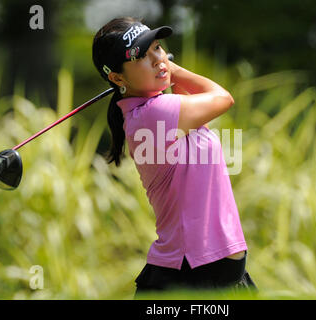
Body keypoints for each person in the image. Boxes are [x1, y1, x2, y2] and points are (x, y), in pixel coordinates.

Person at [92, 17, 256, 297]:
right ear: (117, 78)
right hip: (190, 276)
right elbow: (223, 98)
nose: (157, 58)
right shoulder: (154, 114)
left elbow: (190, 97)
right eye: (142, 56)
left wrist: (161, 69)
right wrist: (173, 68)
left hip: (215, 274)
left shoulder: (161, 111)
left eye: (157, 47)